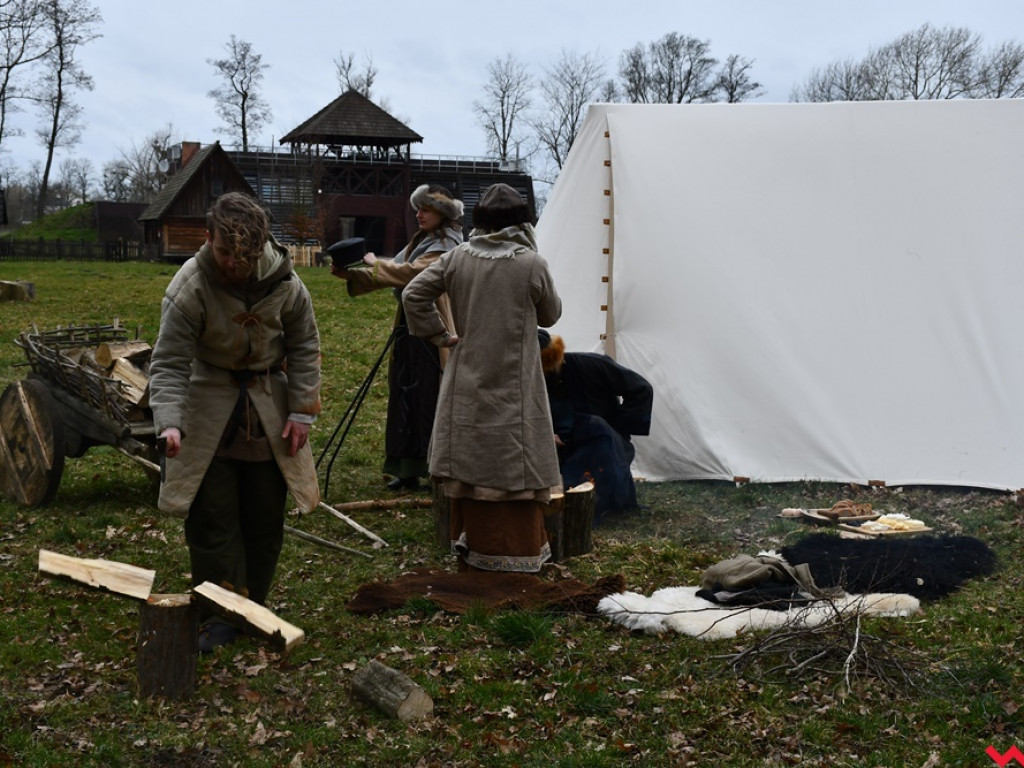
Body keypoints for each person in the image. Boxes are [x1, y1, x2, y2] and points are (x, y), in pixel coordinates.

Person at [149, 191, 322, 653]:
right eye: (224, 252)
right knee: (212, 519)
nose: (232, 264)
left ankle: (254, 606)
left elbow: (305, 344)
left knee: (265, 519)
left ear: (261, 246)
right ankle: (220, 613)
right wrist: (169, 422)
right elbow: (167, 363)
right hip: (207, 409)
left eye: (242, 256)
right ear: (209, 239)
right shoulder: (191, 285)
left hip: (269, 409)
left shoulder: (286, 283)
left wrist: (302, 410)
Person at [402, 183, 562, 572]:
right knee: (512, 462)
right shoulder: (530, 263)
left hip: (468, 378)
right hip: (515, 384)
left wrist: (439, 334)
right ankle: (516, 555)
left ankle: (474, 551)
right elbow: (550, 315)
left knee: (473, 463)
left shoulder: (458, 257)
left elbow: (413, 295)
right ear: (522, 222)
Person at [330, 184, 464, 491]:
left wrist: (373, 263)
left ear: (442, 212)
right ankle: (407, 469)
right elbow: (396, 269)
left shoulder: (448, 245)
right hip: (409, 327)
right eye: (417, 208)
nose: (418, 215)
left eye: (425, 209)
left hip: (435, 328)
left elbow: (409, 274)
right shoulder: (423, 240)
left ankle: (436, 470)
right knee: (405, 395)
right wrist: (352, 274)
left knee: (429, 398)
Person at [538, 330, 653, 524]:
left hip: (604, 444)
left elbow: (641, 389)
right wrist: (547, 435)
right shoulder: (532, 382)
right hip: (566, 450)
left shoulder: (592, 365)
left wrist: (616, 428)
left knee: (596, 427)